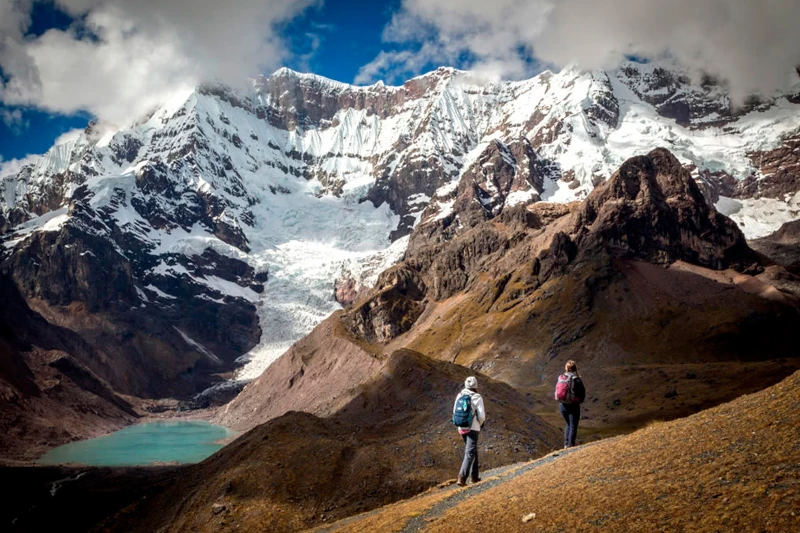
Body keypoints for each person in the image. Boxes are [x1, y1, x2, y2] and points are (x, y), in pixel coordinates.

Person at [454, 376, 486, 486]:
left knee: (472, 450)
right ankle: (462, 478)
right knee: (470, 452)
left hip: (461, 426)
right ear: (475, 386)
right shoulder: (477, 397)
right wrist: (480, 424)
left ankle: (474, 477)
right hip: (473, 428)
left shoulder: (460, 395)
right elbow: (481, 416)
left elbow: (454, 412)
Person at [556, 360, 586, 449]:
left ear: (566, 368)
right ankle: (571, 445)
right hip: (573, 405)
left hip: (562, 405)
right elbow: (582, 392)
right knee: (573, 425)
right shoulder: (576, 379)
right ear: (575, 368)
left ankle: (566, 444)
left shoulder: (561, 378)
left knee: (568, 424)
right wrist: (579, 401)